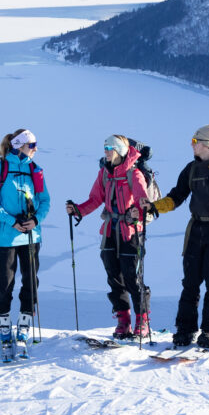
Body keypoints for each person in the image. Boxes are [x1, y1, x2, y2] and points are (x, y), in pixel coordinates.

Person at [141, 124, 209, 348]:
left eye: (195, 142)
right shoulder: (191, 169)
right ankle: (185, 330)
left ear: (207, 145)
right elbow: (176, 196)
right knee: (190, 283)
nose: (191, 145)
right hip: (195, 231)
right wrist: (153, 207)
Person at [66, 135, 151, 339]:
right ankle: (124, 320)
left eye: (110, 147)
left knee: (132, 277)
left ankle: (142, 320)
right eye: (104, 147)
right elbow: (95, 199)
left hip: (130, 232)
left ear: (120, 150)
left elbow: (142, 200)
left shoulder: (134, 173)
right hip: (110, 231)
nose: (105, 151)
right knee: (114, 277)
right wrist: (78, 210)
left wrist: (137, 214)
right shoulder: (104, 173)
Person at [0, 128, 50, 356]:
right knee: (5, 281)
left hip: (31, 235)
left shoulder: (35, 170)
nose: (35, 149)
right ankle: (3, 324)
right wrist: (11, 221)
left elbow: (45, 200)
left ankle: (23, 323)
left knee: (31, 280)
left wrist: (36, 219)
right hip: (7, 236)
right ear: (19, 145)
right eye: (32, 145)